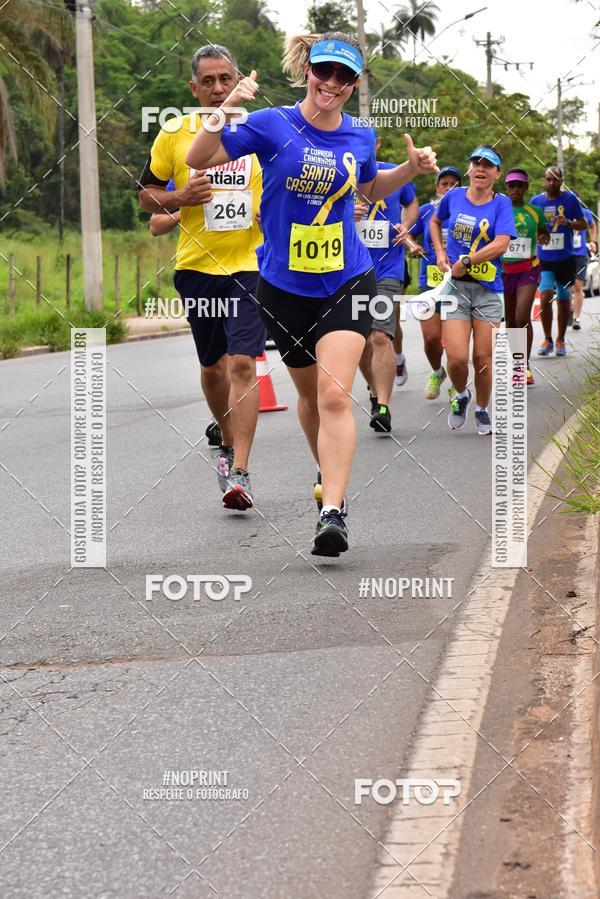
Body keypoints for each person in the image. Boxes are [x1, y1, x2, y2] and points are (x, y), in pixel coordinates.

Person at [185, 31, 437, 555]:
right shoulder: (271, 123)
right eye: (325, 71)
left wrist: (410, 170)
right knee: (308, 398)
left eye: (345, 76)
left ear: (354, 85)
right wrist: (226, 107)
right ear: (308, 71)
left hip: (347, 279)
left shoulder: (360, 135)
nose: (333, 82)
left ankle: (333, 512)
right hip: (283, 287)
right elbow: (198, 157)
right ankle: (327, 468)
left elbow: (368, 188)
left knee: (333, 394)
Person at [138, 44, 266, 511]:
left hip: (250, 265)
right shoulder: (175, 133)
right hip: (196, 268)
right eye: (208, 81)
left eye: (225, 79)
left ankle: (242, 470)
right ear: (194, 88)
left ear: (238, 81)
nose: (217, 88)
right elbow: (146, 196)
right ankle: (227, 441)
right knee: (213, 367)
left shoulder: (260, 129)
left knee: (243, 364)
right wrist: (180, 198)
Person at [430, 145, 515, 435]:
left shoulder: (501, 204)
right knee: (455, 358)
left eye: (488, 165)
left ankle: (481, 408)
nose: (480, 169)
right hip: (456, 289)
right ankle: (462, 394)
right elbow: (435, 221)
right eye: (476, 163)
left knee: (482, 358)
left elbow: (501, 244)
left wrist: (467, 261)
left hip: (488, 291)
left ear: (497, 174)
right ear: (469, 169)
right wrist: (440, 251)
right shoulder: (453, 197)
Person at [354, 133, 418, 433]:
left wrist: (406, 225)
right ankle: (374, 388)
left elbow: (411, 202)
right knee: (359, 343)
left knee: (380, 336)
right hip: (351, 270)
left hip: (387, 269)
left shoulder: (394, 173)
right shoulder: (343, 175)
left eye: (370, 141)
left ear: (376, 144)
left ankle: (383, 406)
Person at [409, 165, 462, 399]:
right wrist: (414, 246)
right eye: (444, 184)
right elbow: (408, 234)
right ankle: (437, 372)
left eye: (454, 184)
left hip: (458, 284)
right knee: (431, 338)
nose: (449, 188)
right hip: (429, 282)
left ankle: (457, 383)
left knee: (453, 341)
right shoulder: (425, 211)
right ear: (436, 187)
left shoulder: (466, 210)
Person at [530, 166, 586, 357]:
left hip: (566, 259)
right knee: (545, 295)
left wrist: (568, 223)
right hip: (544, 259)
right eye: (548, 179)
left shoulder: (570, 200)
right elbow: (529, 228)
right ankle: (548, 339)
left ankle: (560, 339)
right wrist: (537, 236)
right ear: (543, 180)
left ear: (561, 181)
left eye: (555, 179)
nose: (552, 183)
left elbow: (583, 223)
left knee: (563, 299)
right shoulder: (536, 202)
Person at [502, 169, 550, 386]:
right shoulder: (499, 208)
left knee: (522, 317)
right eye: (512, 185)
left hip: (528, 269)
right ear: (506, 187)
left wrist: (543, 237)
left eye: (520, 185)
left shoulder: (535, 211)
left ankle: (523, 366)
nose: (515, 189)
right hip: (503, 271)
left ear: (526, 187)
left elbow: (544, 232)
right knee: (511, 319)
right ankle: (517, 362)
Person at [571, 202, 597, 329]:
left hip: (581, 255)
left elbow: (593, 225)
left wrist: (593, 241)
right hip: (566, 255)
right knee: (567, 287)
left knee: (578, 286)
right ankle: (570, 307)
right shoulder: (562, 211)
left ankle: (576, 319)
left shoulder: (585, 213)